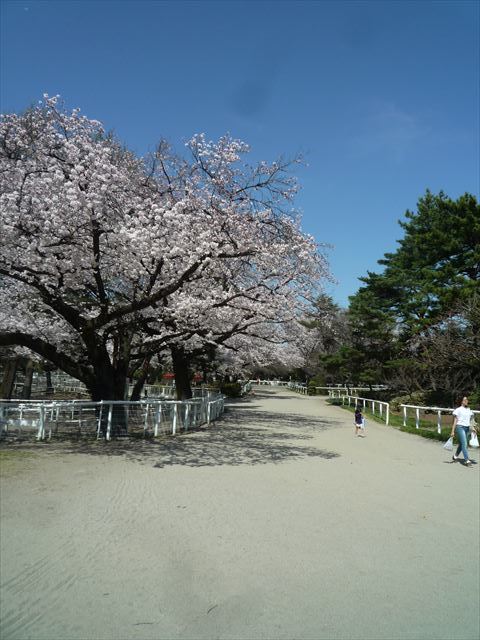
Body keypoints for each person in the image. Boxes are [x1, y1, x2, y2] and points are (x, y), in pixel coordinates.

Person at [451, 396, 477, 466]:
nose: (466, 401)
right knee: (465, 444)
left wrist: (473, 428)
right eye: (464, 400)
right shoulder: (458, 410)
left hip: (467, 428)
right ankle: (467, 460)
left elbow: (471, 421)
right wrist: (452, 431)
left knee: (462, 444)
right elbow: (455, 421)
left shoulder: (469, 410)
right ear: (461, 401)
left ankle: (455, 456)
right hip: (460, 427)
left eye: (467, 400)